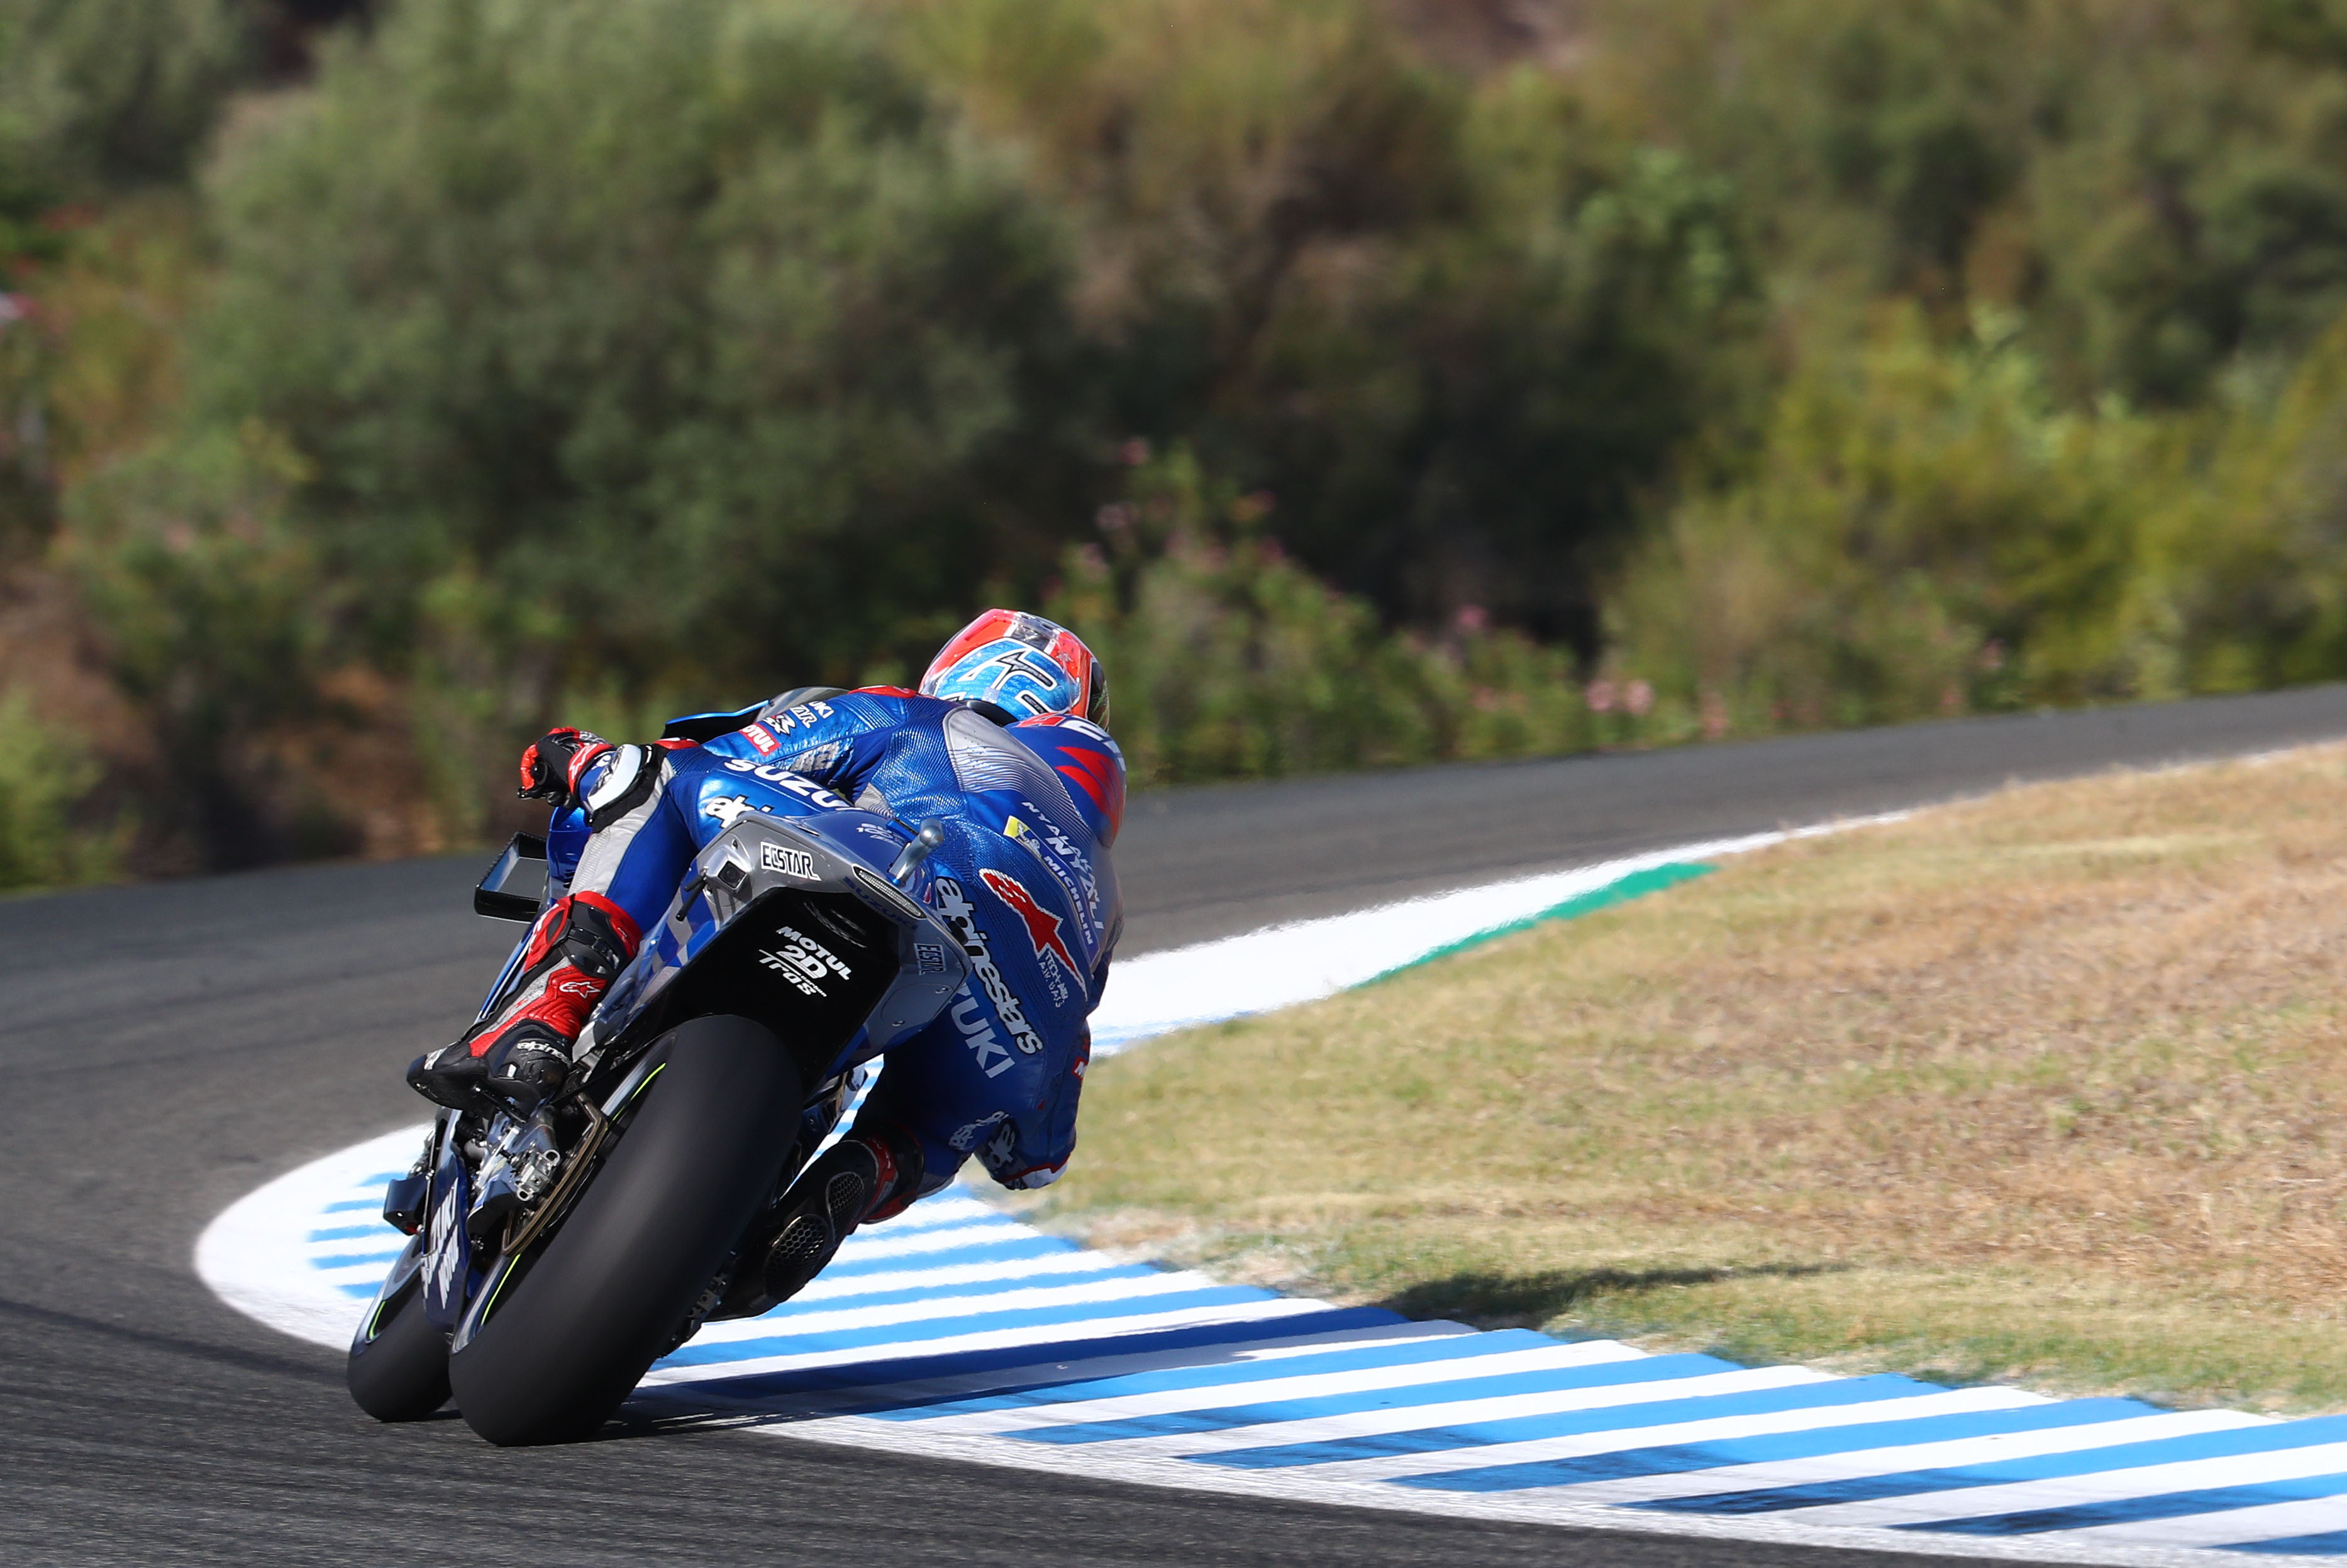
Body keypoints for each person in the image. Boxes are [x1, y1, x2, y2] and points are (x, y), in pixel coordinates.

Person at [405, 609, 1124, 1308]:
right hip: (1008, 1013)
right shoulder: (1102, 904)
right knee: (931, 1124)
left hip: (871, 865)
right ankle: (859, 1176)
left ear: (955, 670)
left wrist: (581, 757)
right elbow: (1036, 1156)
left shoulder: (909, 714)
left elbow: (731, 758)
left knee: (655, 775)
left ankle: (549, 1011)